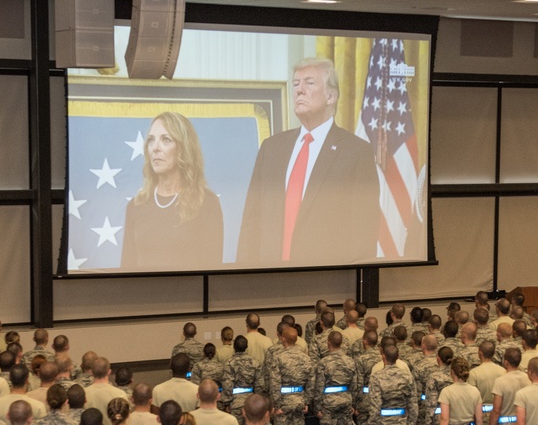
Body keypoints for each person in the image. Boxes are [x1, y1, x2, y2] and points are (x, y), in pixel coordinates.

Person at [236, 57, 379, 265]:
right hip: (267, 278)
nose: (299, 90)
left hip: (324, 282)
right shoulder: (272, 148)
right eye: (296, 84)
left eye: (309, 83)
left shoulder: (356, 152)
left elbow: (363, 233)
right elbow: (251, 222)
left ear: (331, 96)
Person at [121, 111, 224, 269]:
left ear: (183, 149)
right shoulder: (136, 206)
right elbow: (126, 270)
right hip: (142, 293)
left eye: (166, 140)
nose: (155, 148)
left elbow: (211, 271)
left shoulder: (206, 203)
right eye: (151, 140)